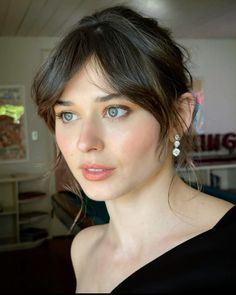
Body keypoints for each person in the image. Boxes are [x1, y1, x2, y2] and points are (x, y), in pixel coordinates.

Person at [32, 5, 236, 293]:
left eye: (114, 110)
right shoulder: (84, 248)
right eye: (68, 115)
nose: (84, 142)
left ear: (179, 116)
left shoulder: (228, 255)